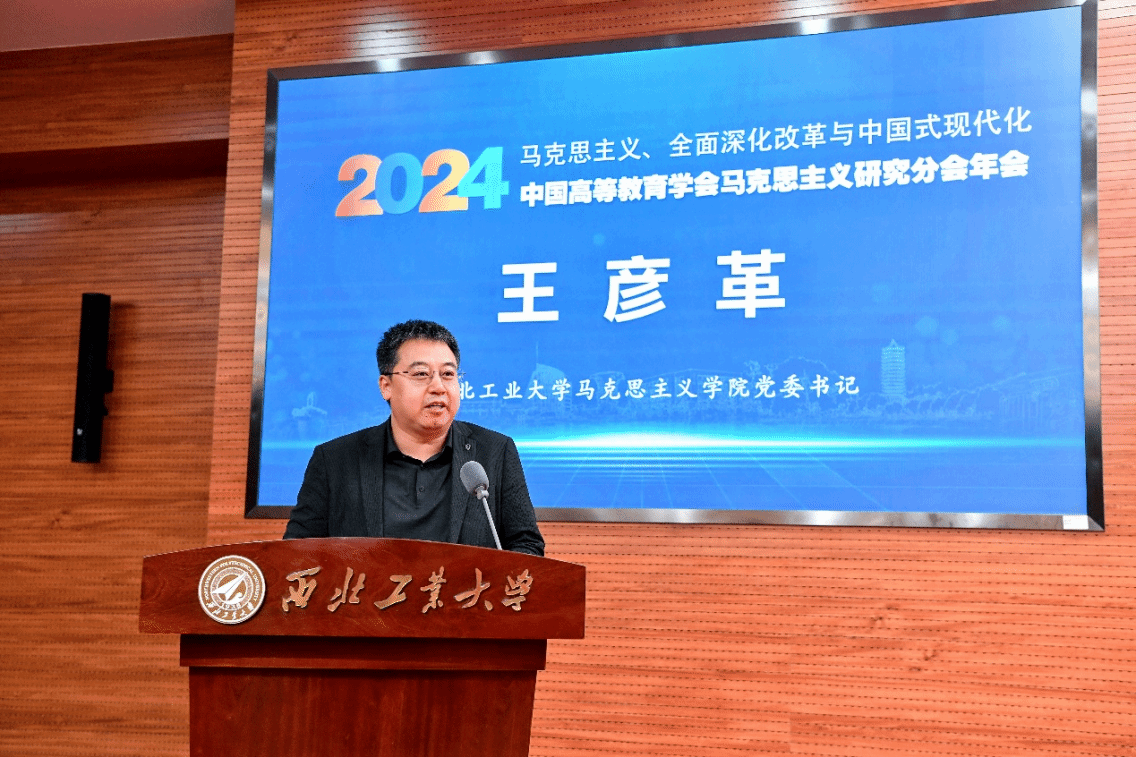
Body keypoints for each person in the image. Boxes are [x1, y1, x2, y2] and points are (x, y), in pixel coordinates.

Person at [283, 319, 545, 555]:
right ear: (386, 386)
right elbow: (296, 554)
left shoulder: (495, 452)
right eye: (421, 374)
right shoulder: (334, 461)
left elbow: (527, 545)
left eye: (448, 374)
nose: (438, 387)